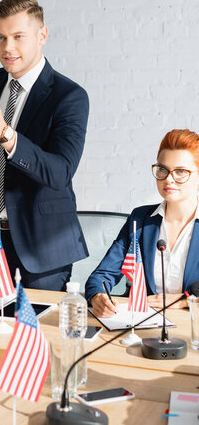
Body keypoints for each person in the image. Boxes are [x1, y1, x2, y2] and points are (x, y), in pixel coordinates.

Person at [0, 0, 89, 291]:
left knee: (36, 336)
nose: (8, 48)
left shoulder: (69, 97)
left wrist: (6, 133)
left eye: (18, 36)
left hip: (41, 248)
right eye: (1, 37)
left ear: (42, 35)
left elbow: (60, 172)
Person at [85, 129, 199, 318]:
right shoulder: (140, 218)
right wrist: (98, 297)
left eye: (180, 171)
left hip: (191, 329)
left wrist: (184, 301)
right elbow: (102, 275)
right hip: (143, 325)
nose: (168, 179)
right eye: (162, 169)